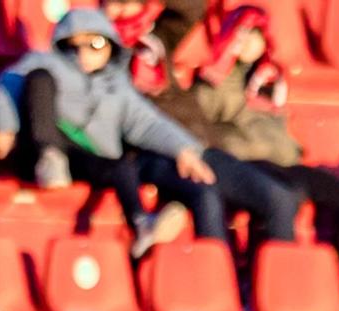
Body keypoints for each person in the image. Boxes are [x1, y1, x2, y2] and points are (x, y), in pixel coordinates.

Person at [0, 8, 218, 258]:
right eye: (74, 45)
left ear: (109, 44)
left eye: (94, 44)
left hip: (83, 155)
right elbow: (3, 86)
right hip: (42, 147)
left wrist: (184, 149)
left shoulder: (118, 86)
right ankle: (50, 159)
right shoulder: (47, 62)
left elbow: (148, 123)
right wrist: (4, 127)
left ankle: (141, 224)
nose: (83, 53)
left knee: (123, 168)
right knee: (40, 79)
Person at [103, 0, 311, 268]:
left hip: (198, 143)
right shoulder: (94, 51)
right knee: (205, 194)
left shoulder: (155, 42)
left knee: (279, 199)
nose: (123, 10)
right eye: (115, 2)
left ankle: (276, 290)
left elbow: (192, 7)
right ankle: (216, 284)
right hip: (150, 154)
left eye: (129, 3)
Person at [193, 5, 339, 295]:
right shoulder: (216, 79)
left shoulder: (269, 79)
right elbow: (202, 127)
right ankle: (278, 292)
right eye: (244, 34)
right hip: (246, 162)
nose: (250, 41)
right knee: (283, 198)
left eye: (257, 34)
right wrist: (229, 70)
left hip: (286, 163)